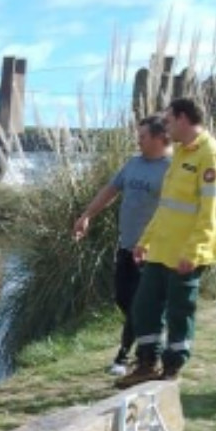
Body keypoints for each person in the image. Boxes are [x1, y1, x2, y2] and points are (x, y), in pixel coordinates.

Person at [115, 97, 216, 388]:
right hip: (162, 248)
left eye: (167, 121)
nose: (165, 128)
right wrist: (146, 240)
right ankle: (146, 363)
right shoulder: (179, 153)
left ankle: (171, 368)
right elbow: (167, 206)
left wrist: (195, 251)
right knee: (143, 307)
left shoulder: (211, 154)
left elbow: (212, 211)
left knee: (180, 310)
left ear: (182, 118)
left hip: (187, 253)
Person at [73, 116, 170, 375]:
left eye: (143, 137)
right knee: (122, 299)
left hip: (151, 250)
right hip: (126, 246)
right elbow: (110, 190)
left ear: (160, 138)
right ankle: (149, 338)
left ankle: (127, 356)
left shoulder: (172, 168)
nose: (138, 141)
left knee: (140, 303)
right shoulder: (133, 163)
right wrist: (86, 216)